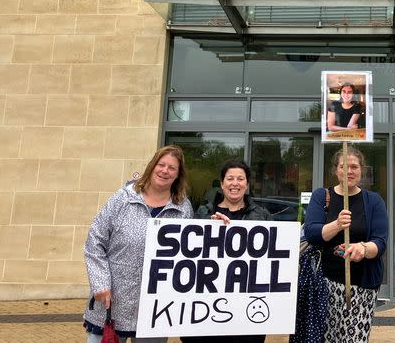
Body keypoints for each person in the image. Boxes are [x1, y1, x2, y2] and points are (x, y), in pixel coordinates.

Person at [83, 145, 193, 343]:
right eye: (161, 165)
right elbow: (95, 241)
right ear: (152, 167)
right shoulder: (123, 199)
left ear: (178, 175)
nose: (165, 171)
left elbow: (190, 253)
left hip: (155, 308)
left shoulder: (183, 209)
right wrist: (100, 284)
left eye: (172, 168)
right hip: (112, 301)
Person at [302, 146, 388, 343]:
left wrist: (363, 249)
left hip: (362, 287)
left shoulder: (374, 201)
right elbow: (312, 233)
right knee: (324, 338)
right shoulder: (321, 196)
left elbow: (380, 241)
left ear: (362, 170)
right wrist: (337, 225)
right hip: (324, 286)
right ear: (336, 170)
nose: (349, 171)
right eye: (343, 166)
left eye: (354, 166)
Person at [182, 160, 271, 343]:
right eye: (230, 178)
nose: (235, 183)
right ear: (222, 183)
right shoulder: (203, 213)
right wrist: (209, 229)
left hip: (245, 312)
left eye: (240, 178)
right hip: (205, 310)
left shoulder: (263, 216)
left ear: (246, 184)